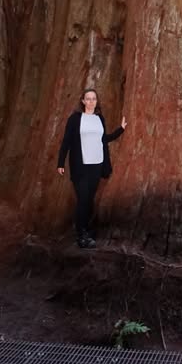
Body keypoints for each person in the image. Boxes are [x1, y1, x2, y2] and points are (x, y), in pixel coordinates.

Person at [57, 88, 126, 248]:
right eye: (87, 98)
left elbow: (104, 139)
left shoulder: (99, 118)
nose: (91, 101)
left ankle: (87, 229)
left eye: (93, 98)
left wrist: (120, 130)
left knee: (89, 200)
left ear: (96, 101)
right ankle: (81, 235)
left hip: (97, 165)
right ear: (82, 101)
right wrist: (60, 163)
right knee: (82, 199)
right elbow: (66, 141)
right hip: (80, 166)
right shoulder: (75, 119)